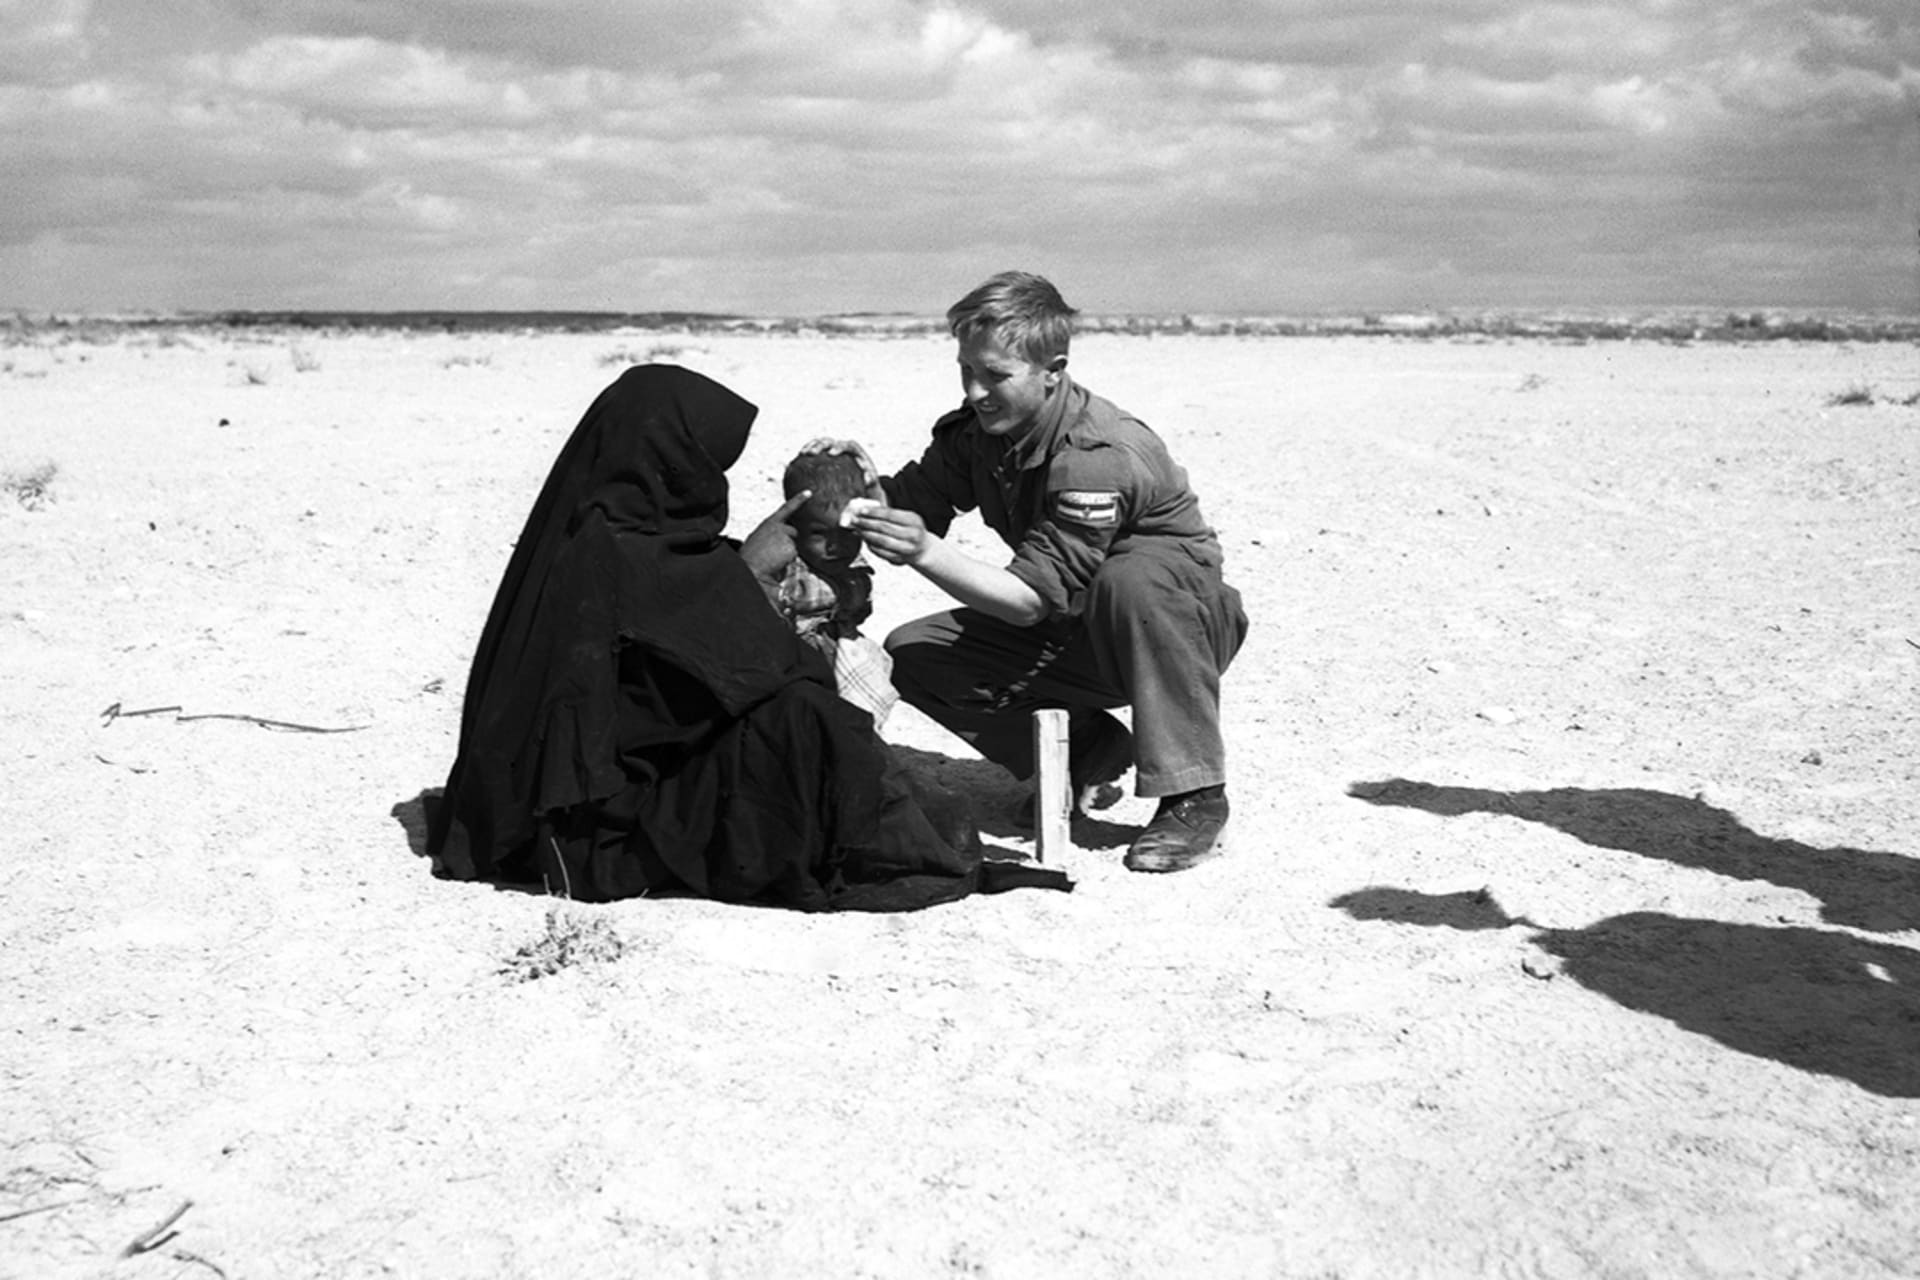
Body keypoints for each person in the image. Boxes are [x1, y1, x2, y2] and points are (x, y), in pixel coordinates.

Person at [425, 363, 1069, 910]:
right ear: (672, 462)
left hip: (573, 793)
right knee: (808, 721)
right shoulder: (632, 557)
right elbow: (770, 671)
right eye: (708, 462)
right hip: (606, 813)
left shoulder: (594, 533)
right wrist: (743, 575)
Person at [828, 271, 1249, 873]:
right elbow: (916, 501)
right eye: (965, 370)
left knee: (1131, 580)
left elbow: (1026, 599)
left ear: (1053, 369)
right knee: (918, 652)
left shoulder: (1097, 457)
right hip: (1075, 619)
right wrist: (855, 485)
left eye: (995, 375)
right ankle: (1084, 749)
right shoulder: (980, 433)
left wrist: (923, 552)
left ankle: (1194, 795)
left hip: (1175, 628)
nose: (975, 391)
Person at [770, 451, 897, 728]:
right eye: (818, 533)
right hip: (797, 668)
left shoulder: (855, 569)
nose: (835, 546)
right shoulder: (786, 571)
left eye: (847, 532)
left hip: (841, 658)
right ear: (793, 525)